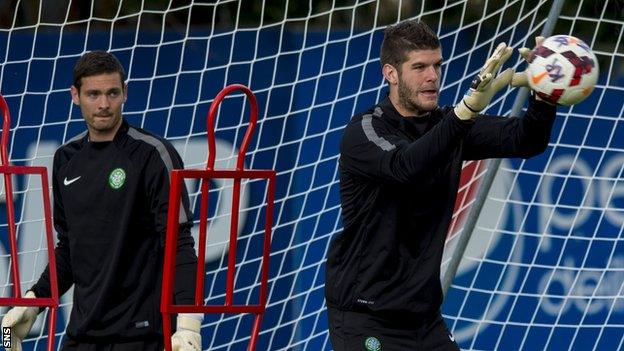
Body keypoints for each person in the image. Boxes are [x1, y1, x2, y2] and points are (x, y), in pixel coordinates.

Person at [325, 20, 556, 350]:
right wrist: (466, 112)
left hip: (424, 320)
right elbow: (407, 166)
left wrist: (544, 93)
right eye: (419, 67)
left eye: (437, 65)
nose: (432, 76)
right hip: (367, 318)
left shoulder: (448, 125)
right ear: (391, 73)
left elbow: (526, 140)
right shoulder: (365, 130)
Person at [1, 51, 203, 351]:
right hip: (82, 334)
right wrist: (33, 301)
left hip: (142, 335)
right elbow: (69, 248)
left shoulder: (152, 153)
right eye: (93, 94)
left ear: (125, 94)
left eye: (112, 93)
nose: (104, 104)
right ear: (75, 95)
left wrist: (188, 325)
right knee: (5, 335)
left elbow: (180, 243)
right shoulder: (66, 159)